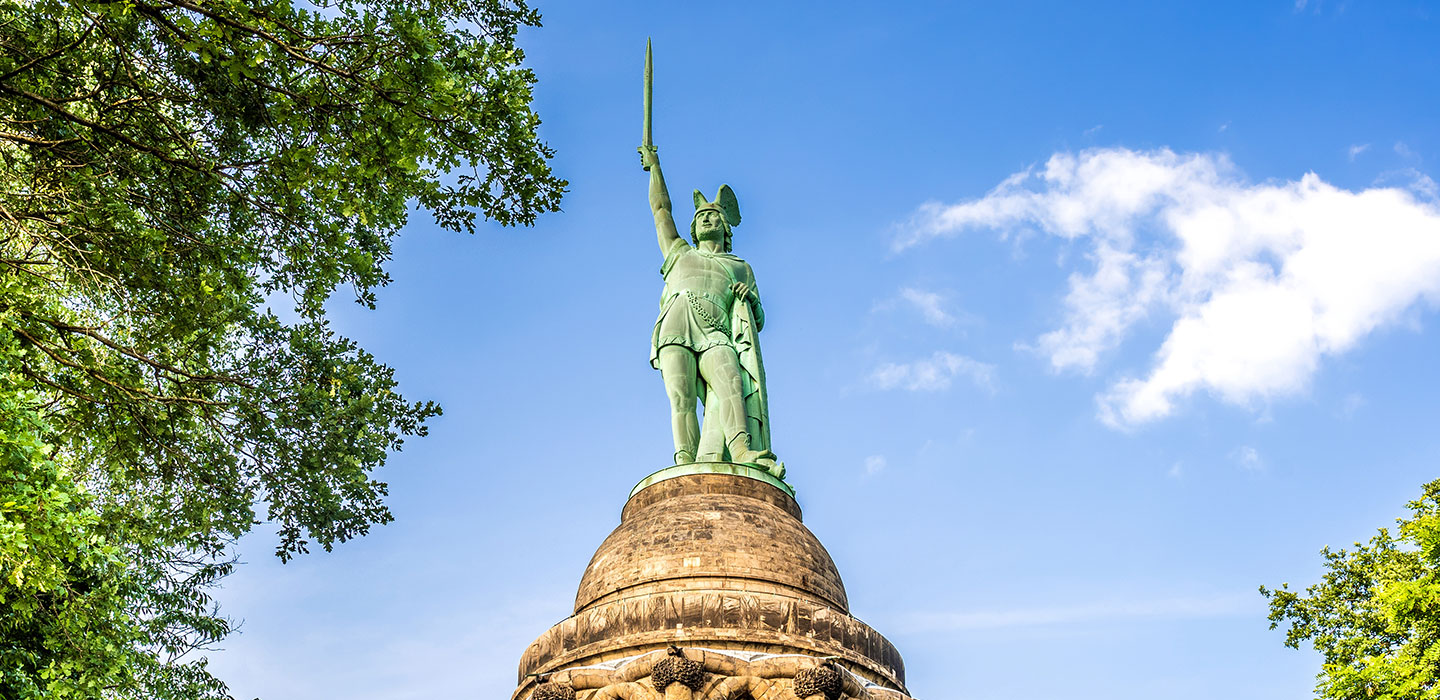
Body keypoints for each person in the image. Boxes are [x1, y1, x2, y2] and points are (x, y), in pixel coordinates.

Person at [640, 145, 781, 476]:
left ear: (725, 226)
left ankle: (743, 451)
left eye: (712, 215)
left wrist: (751, 300)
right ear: (693, 228)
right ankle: (686, 463)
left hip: (716, 331)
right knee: (681, 398)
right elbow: (661, 209)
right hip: (676, 323)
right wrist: (655, 167)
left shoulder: (740, 266)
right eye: (700, 216)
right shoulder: (678, 253)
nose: (705, 218)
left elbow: (756, 321)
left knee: (732, 381)